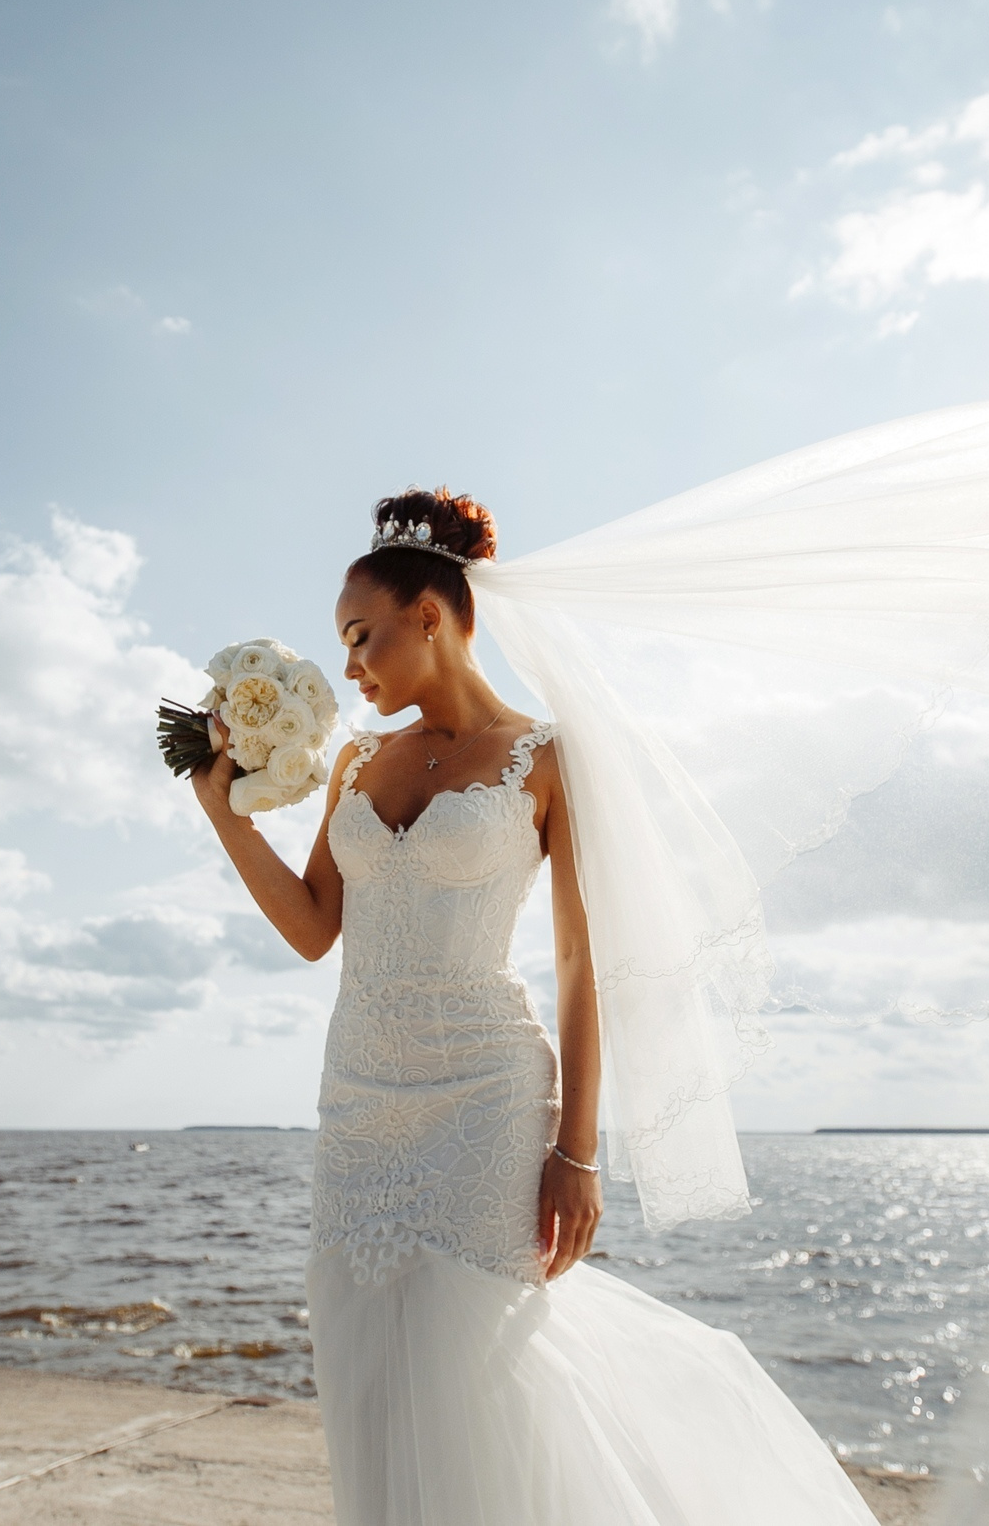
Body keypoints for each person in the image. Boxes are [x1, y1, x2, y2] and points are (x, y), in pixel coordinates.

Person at [188, 486, 878, 1526]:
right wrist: (223, 814)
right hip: (360, 1099)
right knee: (367, 1355)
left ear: (431, 616)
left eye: (361, 636)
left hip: (487, 1095)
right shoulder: (355, 764)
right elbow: (314, 927)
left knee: (480, 1363)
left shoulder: (547, 756)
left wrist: (579, 1148)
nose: (350, 667)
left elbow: (578, 959)